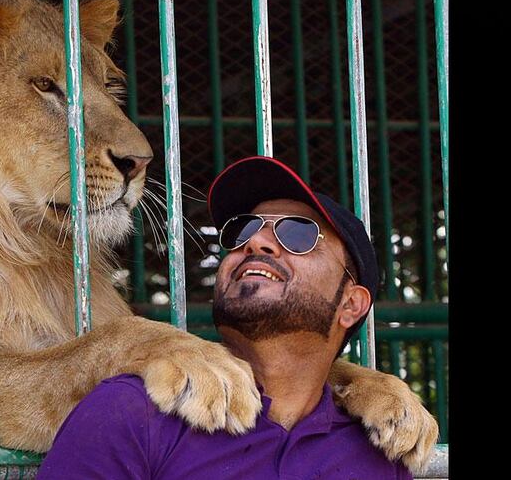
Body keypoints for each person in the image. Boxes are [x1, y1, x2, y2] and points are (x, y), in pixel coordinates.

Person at [36, 156, 414, 479]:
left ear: (351, 304)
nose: (256, 242)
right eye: (242, 230)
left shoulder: (379, 452)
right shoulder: (131, 413)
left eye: (297, 234)